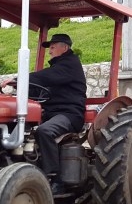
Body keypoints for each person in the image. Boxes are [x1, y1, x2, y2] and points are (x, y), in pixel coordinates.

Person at [27, 33, 86, 194]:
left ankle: (54, 178)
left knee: (44, 131)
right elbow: (41, 84)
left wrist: (21, 78)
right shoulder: (57, 69)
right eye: (49, 48)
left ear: (64, 47)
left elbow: (47, 77)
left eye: (53, 47)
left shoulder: (69, 64)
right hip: (51, 112)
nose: (50, 51)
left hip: (69, 113)